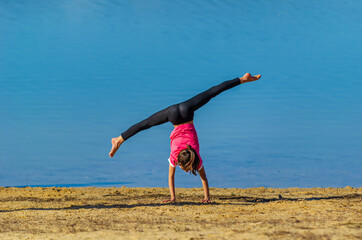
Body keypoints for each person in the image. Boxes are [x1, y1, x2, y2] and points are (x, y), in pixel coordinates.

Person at [109, 73, 261, 203]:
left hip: (185, 111)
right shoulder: (175, 157)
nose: (183, 170)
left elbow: (203, 180)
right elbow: (172, 177)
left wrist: (201, 197)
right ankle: (242, 79)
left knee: (211, 93)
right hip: (175, 115)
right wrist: (182, 198)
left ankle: (119, 139)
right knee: (211, 92)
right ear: (185, 163)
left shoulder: (195, 156)